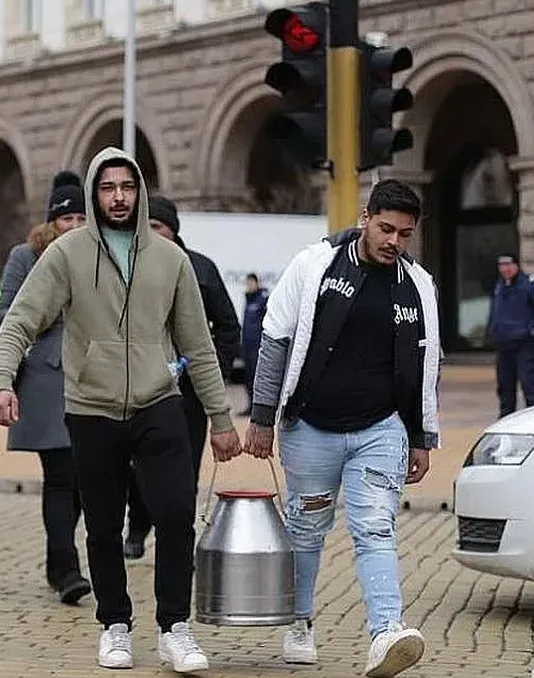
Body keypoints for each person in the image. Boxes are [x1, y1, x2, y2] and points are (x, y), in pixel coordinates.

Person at [0, 147, 240, 673]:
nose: (118, 197)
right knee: (102, 524)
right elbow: (20, 320)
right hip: (92, 407)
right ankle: (115, 625)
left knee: (174, 515)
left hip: (159, 403)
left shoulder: (172, 260)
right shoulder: (68, 253)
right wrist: (0, 380)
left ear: (140, 191)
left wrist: (220, 419)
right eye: (107, 188)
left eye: (127, 187)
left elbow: (200, 342)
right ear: (93, 193)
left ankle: (175, 627)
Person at [244, 179, 439, 677]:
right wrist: (262, 417)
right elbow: (275, 340)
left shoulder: (418, 286)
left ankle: (386, 633)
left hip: (381, 429)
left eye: (405, 234)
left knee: (375, 528)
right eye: (386, 228)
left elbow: (425, 366)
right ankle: (300, 622)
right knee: (307, 529)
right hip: (309, 428)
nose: (394, 241)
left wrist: (423, 437)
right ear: (365, 218)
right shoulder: (315, 266)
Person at [0, 170, 91, 605]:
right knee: (59, 474)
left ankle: (59, 561)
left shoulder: (100, 255)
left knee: (85, 479)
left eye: (80, 220)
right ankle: (66, 566)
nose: (73, 227)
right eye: (66, 220)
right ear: (53, 222)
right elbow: (8, 313)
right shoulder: (27, 256)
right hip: (48, 380)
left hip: (94, 377)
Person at [125, 195, 241, 560]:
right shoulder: (128, 265)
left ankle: (177, 543)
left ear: (173, 230)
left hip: (186, 392)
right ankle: (138, 525)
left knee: (184, 468)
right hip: (139, 385)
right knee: (138, 464)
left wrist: (212, 370)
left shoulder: (201, 269)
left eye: (158, 227)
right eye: (148, 227)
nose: (153, 233)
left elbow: (227, 326)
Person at [487, 253, 534, 416]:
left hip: (525, 346)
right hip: (504, 345)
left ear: (517, 265)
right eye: (501, 265)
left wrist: (530, 330)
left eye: (509, 265)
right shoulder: (500, 285)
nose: (505, 269)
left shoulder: (529, 284)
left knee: (529, 386)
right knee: (505, 388)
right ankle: (505, 423)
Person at [239, 273, 268, 416]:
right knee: (248, 377)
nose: (249, 286)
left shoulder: (262, 300)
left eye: (251, 283)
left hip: (258, 346)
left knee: (258, 379)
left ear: (257, 283)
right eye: (247, 283)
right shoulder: (248, 301)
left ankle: (259, 409)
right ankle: (250, 406)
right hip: (247, 347)